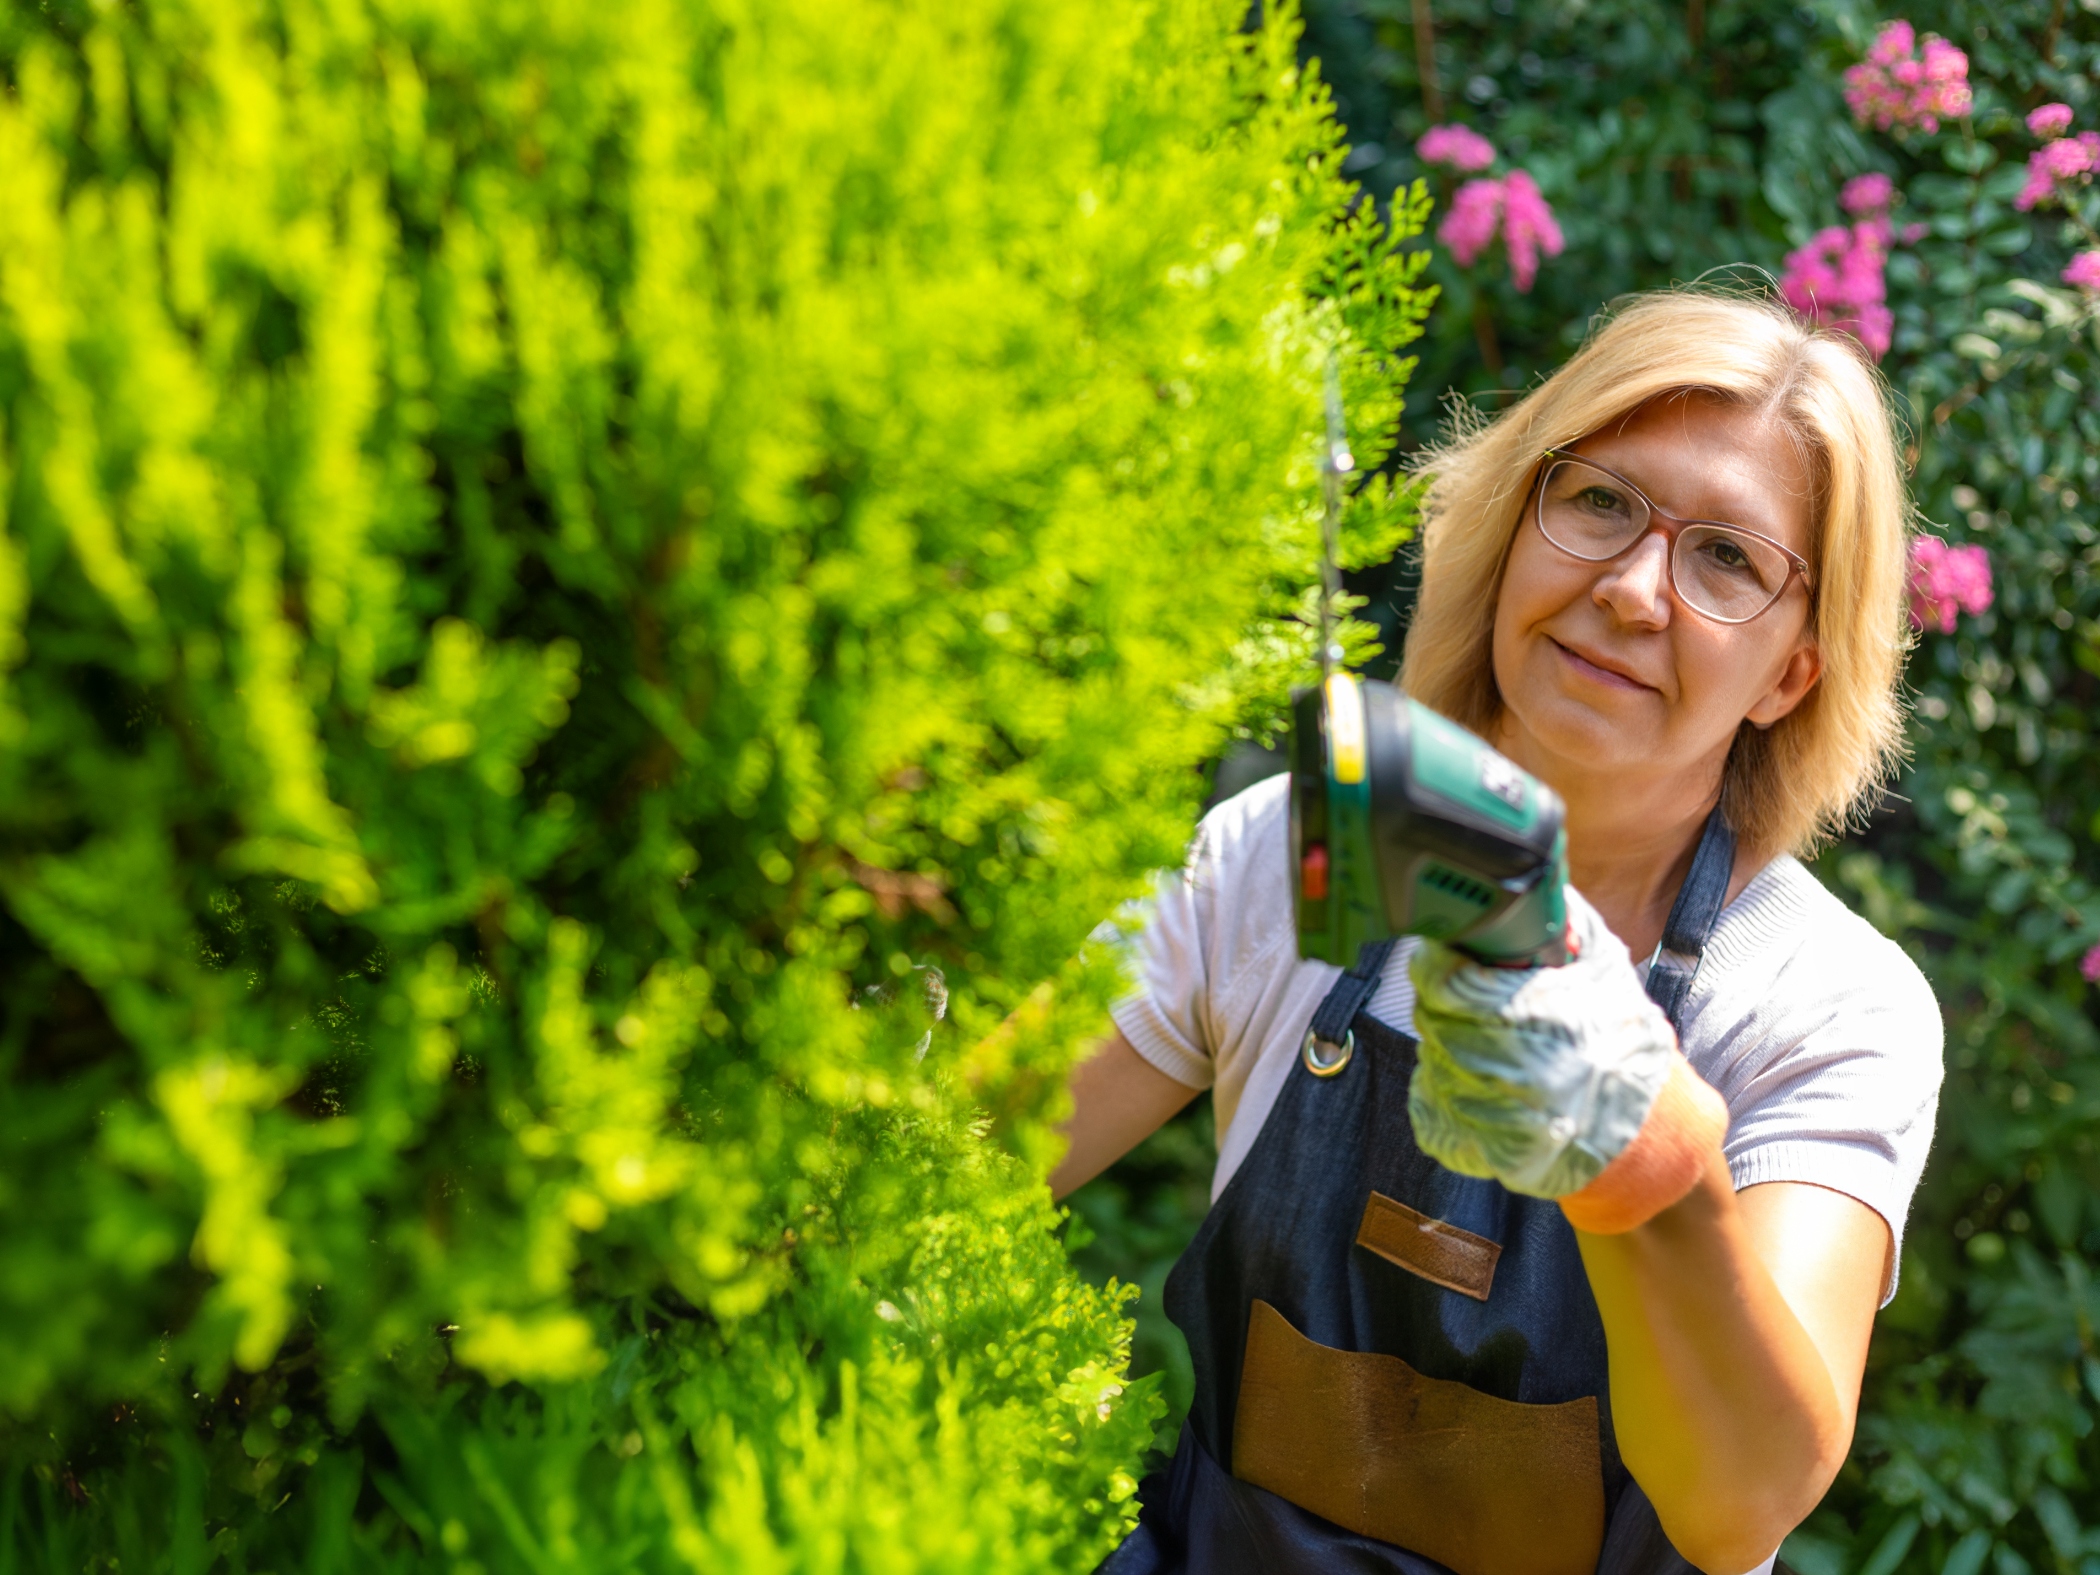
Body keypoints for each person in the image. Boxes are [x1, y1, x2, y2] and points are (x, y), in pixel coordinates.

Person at [1053, 292, 1944, 1575]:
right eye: (1600, 502)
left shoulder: (1824, 1000)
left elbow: (1739, 1504)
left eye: (1727, 560)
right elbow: (976, 1156)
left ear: (1792, 673)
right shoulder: (1302, 846)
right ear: (1515, 524)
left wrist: (1647, 1154)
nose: (1632, 591)